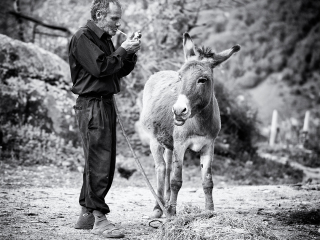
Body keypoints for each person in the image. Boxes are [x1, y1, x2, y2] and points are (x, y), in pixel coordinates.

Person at [68, 0, 141, 238]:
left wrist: (129, 53)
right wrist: (122, 50)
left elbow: (116, 69)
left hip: (104, 104)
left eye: (118, 19)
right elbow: (101, 68)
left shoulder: (106, 39)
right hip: (92, 105)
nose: (118, 23)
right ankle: (100, 219)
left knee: (101, 162)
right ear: (100, 14)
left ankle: (87, 215)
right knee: (99, 162)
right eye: (114, 18)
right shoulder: (83, 37)